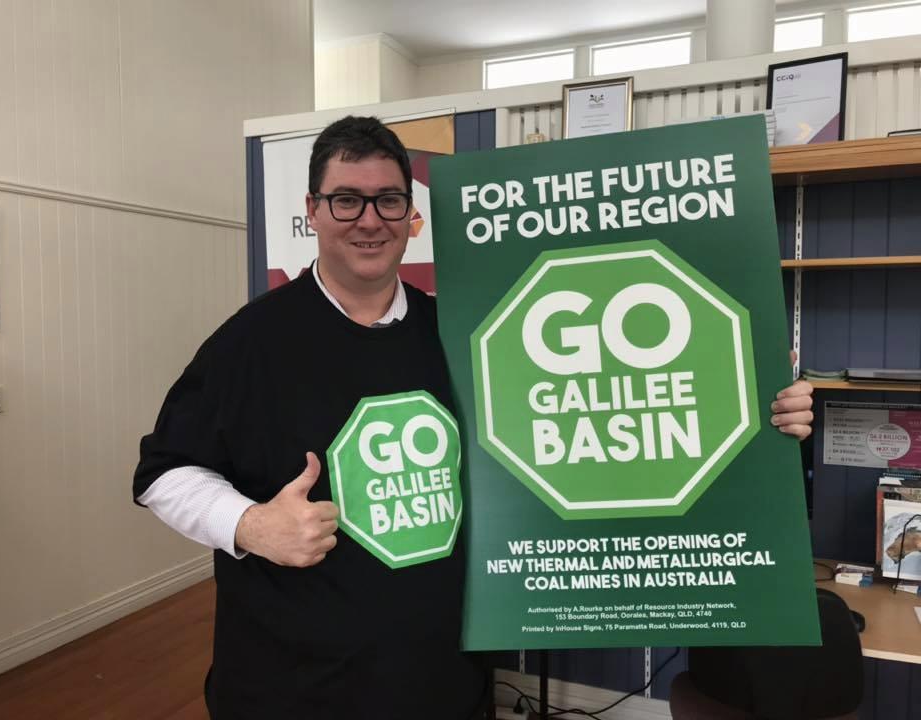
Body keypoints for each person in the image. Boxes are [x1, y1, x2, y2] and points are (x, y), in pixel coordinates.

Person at [133, 116, 815, 719]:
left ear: (412, 216)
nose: (369, 220)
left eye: (389, 200)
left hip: (442, 684)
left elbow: (603, 414)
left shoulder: (465, 335)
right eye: (346, 199)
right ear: (312, 210)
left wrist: (757, 401)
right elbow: (162, 473)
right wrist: (250, 525)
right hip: (292, 691)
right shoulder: (250, 343)